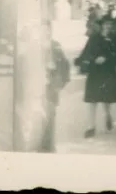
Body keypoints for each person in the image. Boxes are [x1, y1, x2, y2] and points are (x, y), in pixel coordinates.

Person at [75, 16, 116, 138]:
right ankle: (91, 127)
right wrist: (89, 60)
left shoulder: (115, 38)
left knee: (106, 98)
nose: (108, 26)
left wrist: (107, 58)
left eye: (110, 24)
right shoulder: (94, 38)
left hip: (108, 71)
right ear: (102, 25)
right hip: (95, 71)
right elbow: (86, 52)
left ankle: (107, 115)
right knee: (92, 99)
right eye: (106, 24)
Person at [38, 20, 71, 152]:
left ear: (50, 31)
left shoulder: (56, 46)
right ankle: (40, 143)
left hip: (51, 87)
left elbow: (65, 66)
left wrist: (60, 84)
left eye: (47, 29)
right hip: (36, 85)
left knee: (50, 115)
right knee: (38, 115)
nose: (45, 32)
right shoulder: (35, 46)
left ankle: (48, 145)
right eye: (42, 29)